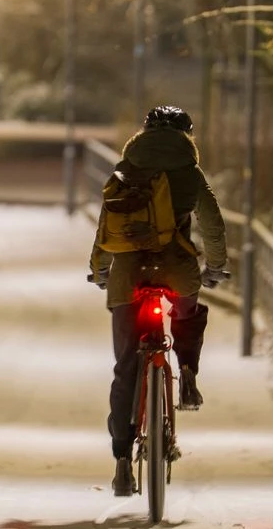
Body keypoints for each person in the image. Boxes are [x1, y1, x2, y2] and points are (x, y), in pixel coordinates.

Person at [88, 105, 229, 497]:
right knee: (187, 314)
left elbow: (107, 223)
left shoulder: (126, 167)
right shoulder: (190, 172)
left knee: (125, 366)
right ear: (187, 137)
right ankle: (187, 375)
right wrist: (215, 267)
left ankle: (120, 463)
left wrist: (100, 269)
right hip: (175, 268)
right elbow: (212, 223)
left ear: (144, 133)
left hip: (128, 275)